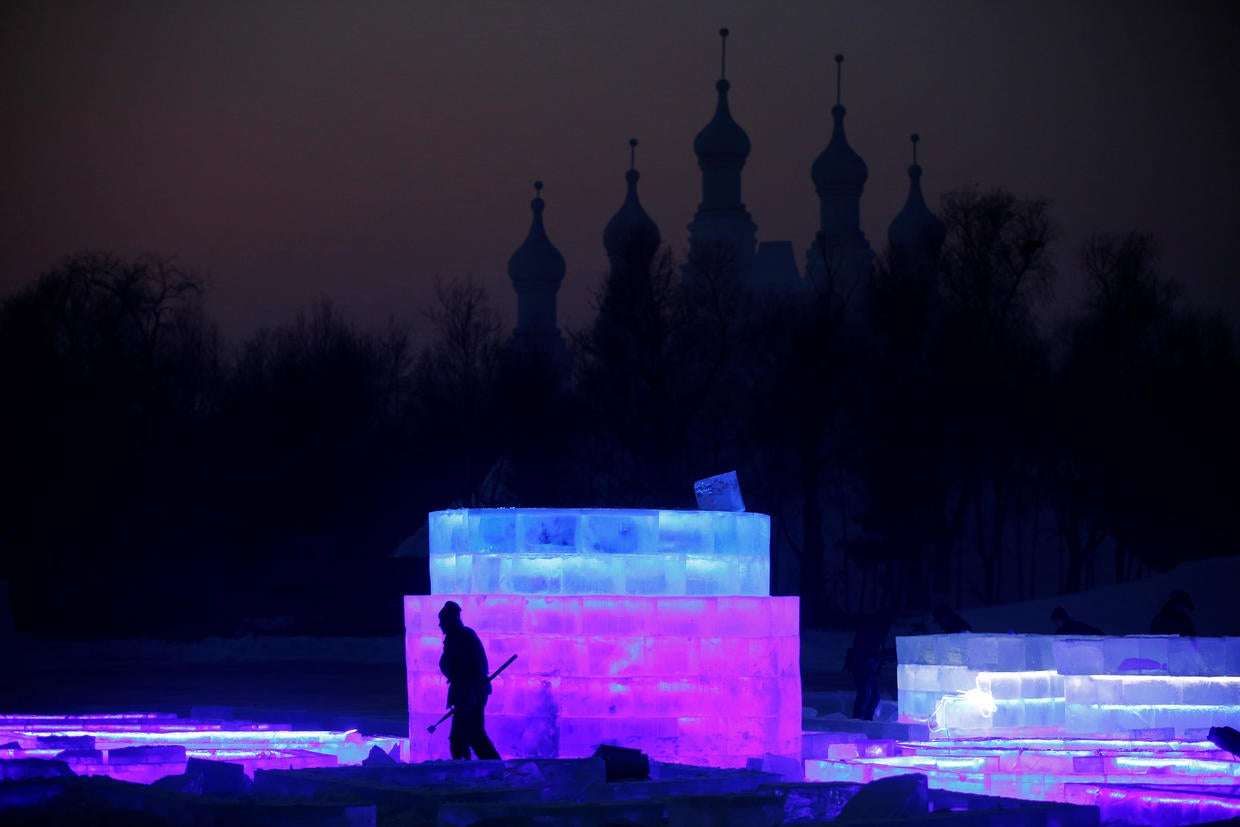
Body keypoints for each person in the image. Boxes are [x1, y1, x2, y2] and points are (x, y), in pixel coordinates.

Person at [438, 600, 501, 759]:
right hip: (465, 693)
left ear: (451, 621)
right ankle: (479, 766)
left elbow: (474, 667)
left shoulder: (464, 637)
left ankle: (486, 767)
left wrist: (469, 691)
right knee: (467, 736)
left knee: (470, 735)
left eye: (442, 622)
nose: (440, 625)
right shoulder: (456, 638)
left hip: (471, 693)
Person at [845, 612, 894, 721]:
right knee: (867, 695)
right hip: (864, 667)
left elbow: (875, 651)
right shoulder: (872, 632)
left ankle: (864, 717)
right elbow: (865, 649)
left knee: (869, 695)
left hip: (866, 667)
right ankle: (861, 718)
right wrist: (871, 660)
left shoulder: (874, 632)